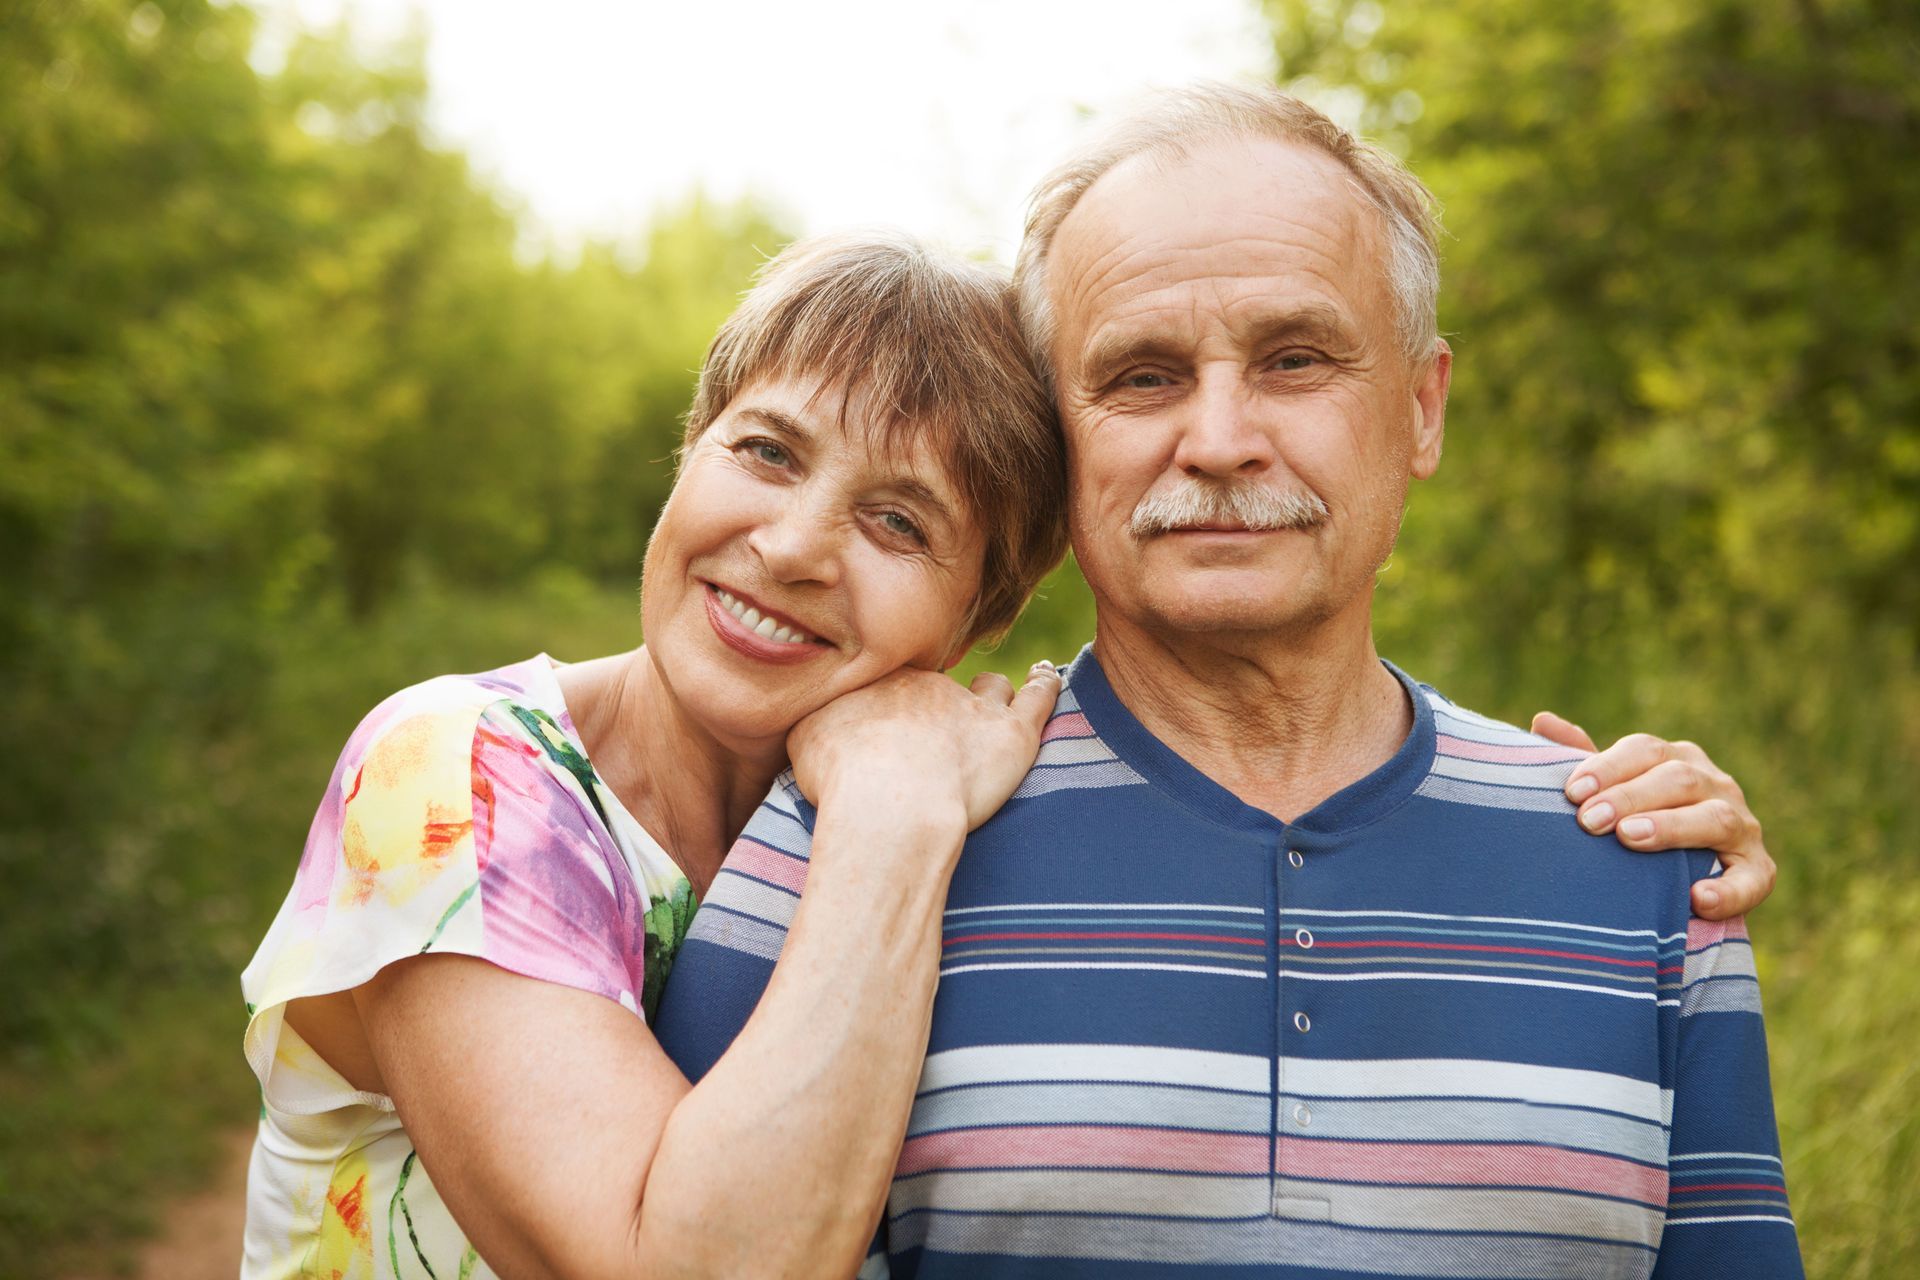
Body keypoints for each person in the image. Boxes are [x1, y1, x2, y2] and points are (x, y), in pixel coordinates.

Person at [652, 86, 1801, 1278]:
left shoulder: (1646, 865)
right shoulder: (852, 832)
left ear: (1420, 407)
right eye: (1141, 376)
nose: (1217, 436)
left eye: (1295, 359)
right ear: (1061, 433)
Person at [239, 232, 1076, 1278]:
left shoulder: (979, 828)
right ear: (692, 448)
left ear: (978, 617)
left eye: (897, 520)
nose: (790, 546)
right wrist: (893, 814)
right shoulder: (451, 774)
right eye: (768, 451)